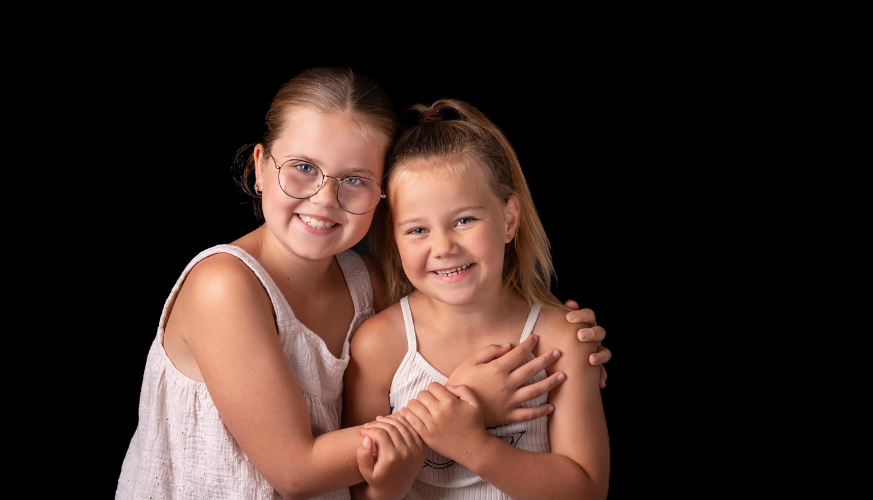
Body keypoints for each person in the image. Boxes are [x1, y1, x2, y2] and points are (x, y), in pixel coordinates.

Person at [115, 68, 613, 500]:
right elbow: (294, 471)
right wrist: (466, 403)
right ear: (261, 167)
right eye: (303, 168)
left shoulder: (367, 285)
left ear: (381, 198)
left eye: (354, 179)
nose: (324, 198)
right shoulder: (223, 285)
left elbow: (454, 321)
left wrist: (573, 344)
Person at [345, 99, 609, 500]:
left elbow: (587, 489)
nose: (443, 247)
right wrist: (386, 485)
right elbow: (360, 490)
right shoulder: (379, 344)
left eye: (464, 220)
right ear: (394, 238)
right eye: (417, 230)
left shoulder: (562, 340)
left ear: (509, 219)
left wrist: (474, 446)